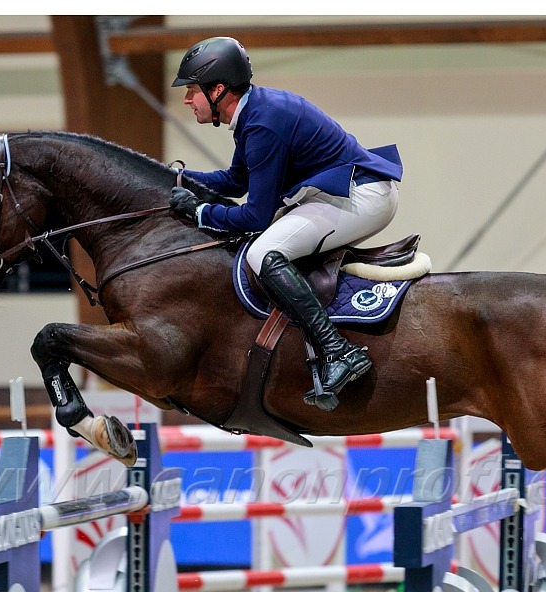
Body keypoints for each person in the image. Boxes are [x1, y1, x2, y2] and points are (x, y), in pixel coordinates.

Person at [168, 36, 403, 411]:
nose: (186, 100)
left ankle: (338, 350)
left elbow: (254, 217)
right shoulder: (255, 113)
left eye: (192, 90)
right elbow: (237, 179)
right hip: (344, 190)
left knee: (263, 252)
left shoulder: (262, 124)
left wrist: (199, 213)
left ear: (218, 90)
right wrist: (179, 179)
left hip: (362, 196)